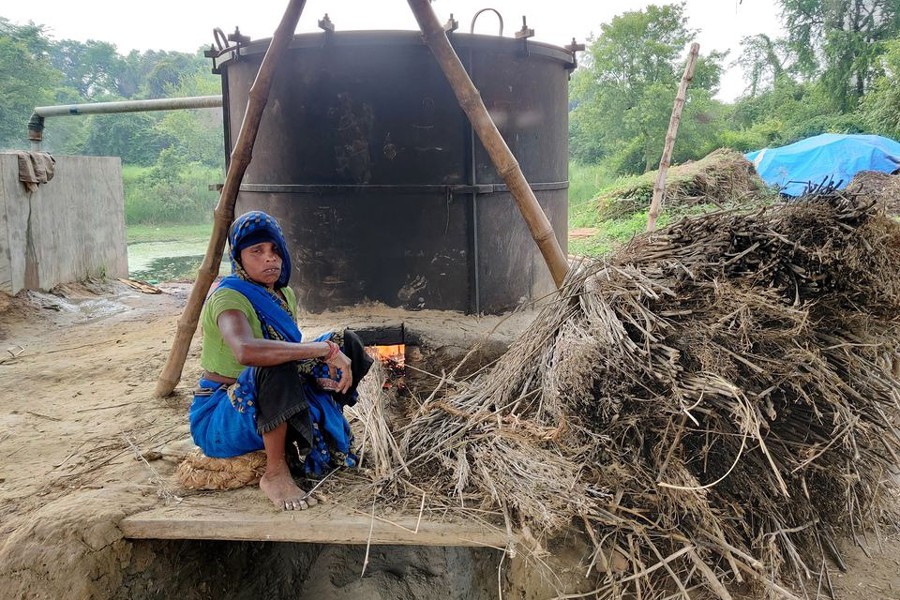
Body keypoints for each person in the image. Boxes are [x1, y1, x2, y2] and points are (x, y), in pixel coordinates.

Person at [189, 210, 373, 510]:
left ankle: (318, 427)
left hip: (267, 397)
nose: (269, 258)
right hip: (222, 413)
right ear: (239, 258)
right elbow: (246, 351)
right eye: (257, 251)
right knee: (275, 365)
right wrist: (322, 350)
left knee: (346, 342)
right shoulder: (228, 297)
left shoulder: (284, 293)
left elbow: (289, 350)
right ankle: (275, 472)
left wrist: (321, 367)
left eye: (275, 250)